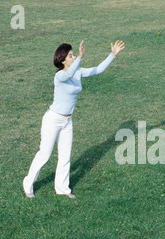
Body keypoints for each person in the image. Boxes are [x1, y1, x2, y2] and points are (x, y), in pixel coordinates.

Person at [23, 40, 125, 198]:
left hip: (67, 122)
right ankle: (28, 183)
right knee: (45, 154)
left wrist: (112, 55)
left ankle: (62, 188)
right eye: (71, 55)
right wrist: (80, 58)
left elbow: (98, 70)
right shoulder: (60, 76)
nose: (74, 56)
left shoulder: (77, 72)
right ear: (63, 60)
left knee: (65, 156)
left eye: (74, 54)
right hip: (53, 120)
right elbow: (69, 74)